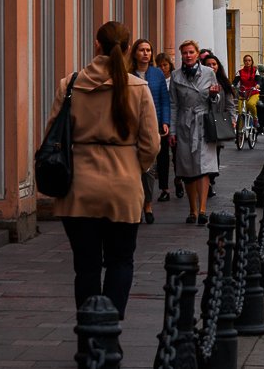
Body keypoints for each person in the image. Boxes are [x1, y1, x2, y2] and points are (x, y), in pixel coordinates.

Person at [47, 20, 159, 320]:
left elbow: (52, 134)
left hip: (79, 187)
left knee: (85, 266)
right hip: (123, 187)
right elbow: (151, 144)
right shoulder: (138, 87)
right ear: (127, 49)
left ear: (97, 45)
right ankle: (108, 329)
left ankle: (88, 331)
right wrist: (133, 169)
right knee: (121, 261)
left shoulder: (70, 84)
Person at [169, 40, 230, 225]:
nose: (188, 56)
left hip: (203, 123)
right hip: (184, 124)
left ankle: (203, 209)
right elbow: (174, 105)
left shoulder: (209, 73)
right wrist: (172, 130)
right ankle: (192, 210)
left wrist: (213, 95)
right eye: (184, 53)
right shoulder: (176, 76)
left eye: (191, 52)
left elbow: (217, 100)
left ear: (197, 54)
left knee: (204, 167)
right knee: (187, 169)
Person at [131, 39, 170, 225]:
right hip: (132, 126)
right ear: (135, 53)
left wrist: (165, 121)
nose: (145, 53)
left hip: (152, 125)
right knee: (132, 167)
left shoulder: (157, 74)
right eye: (141, 50)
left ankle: (147, 203)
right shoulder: (128, 73)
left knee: (149, 167)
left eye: (148, 50)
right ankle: (135, 204)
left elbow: (164, 100)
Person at [199, 52, 232, 198]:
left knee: (215, 153)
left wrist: (233, 118)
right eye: (208, 65)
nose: (212, 67)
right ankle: (204, 181)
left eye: (214, 64)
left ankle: (211, 181)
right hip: (203, 121)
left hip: (217, 122)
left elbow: (230, 105)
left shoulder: (223, 83)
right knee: (205, 153)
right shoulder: (200, 82)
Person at [155, 52, 183, 200]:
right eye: (159, 66)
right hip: (160, 121)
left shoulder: (175, 78)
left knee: (177, 155)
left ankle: (178, 180)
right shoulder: (155, 79)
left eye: (164, 65)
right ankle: (164, 189)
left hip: (175, 121)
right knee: (162, 156)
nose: (162, 68)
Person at [235, 54, 261, 134]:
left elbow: (258, 81)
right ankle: (239, 132)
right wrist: (232, 86)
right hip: (243, 93)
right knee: (240, 111)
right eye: (246, 60)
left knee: (250, 104)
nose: (247, 62)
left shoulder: (255, 71)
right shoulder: (240, 72)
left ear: (251, 62)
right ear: (244, 62)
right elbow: (235, 81)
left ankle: (255, 119)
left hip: (253, 92)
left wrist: (257, 85)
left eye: (249, 60)